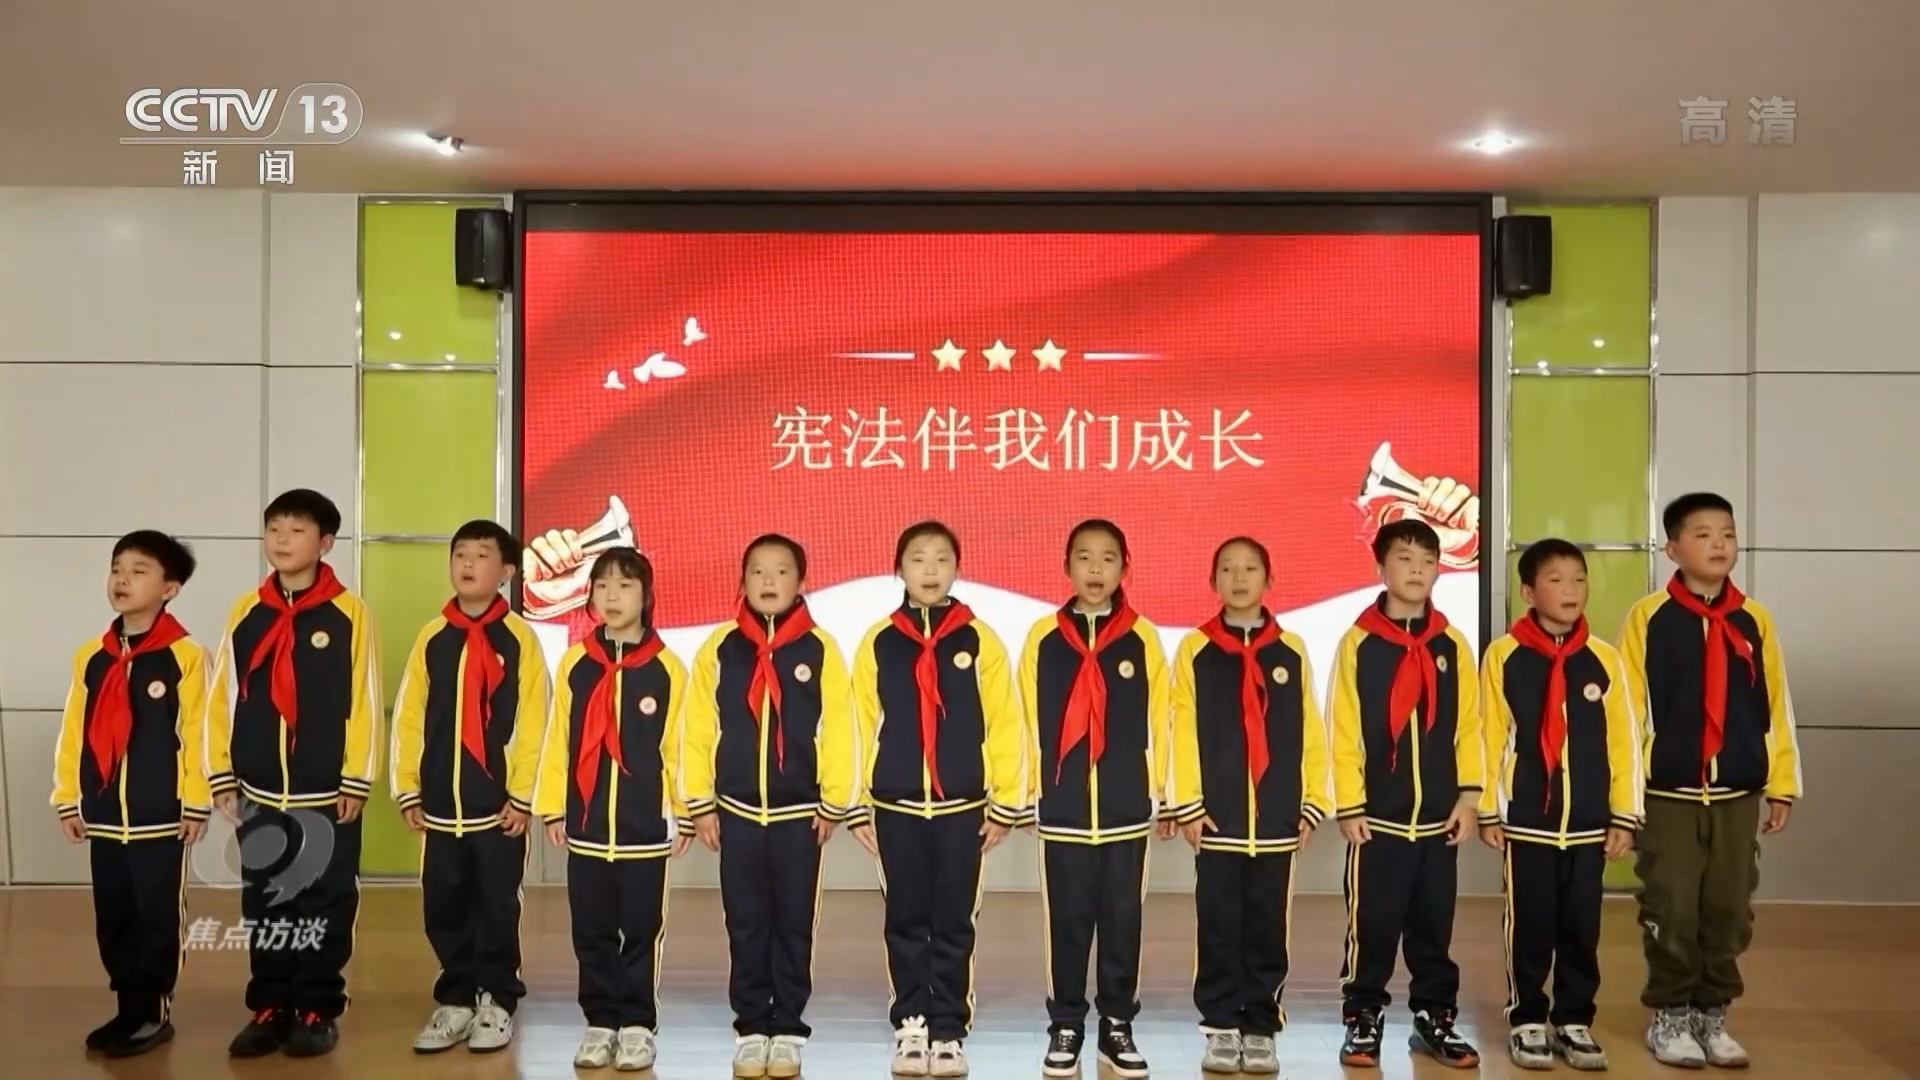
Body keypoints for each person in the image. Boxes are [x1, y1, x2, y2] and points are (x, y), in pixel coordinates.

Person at [1619, 493, 1801, 1069]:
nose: (1719, 544)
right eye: (1702, 534)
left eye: (1727, 533)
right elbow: (1627, 711)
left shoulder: (1755, 620)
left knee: (1729, 909)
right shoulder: (1648, 618)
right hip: (1667, 794)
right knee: (1672, 905)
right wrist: (1625, 795)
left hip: (1737, 794)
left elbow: (1776, 704)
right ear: (1672, 549)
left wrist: (1781, 782)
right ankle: (1670, 1015)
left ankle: (1711, 1013)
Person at [847, 521, 1027, 1078]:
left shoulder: (981, 640)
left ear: (957, 568)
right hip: (896, 809)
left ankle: (948, 1028)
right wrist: (854, 801)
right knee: (904, 919)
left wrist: (1007, 801)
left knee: (954, 921)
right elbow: (857, 723)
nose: (930, 569)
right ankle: (911, 1025)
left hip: (963, 812)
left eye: (942, 558)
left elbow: (1006, 721)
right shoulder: (879, 641)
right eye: (918, 558)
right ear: (898, 569)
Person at [206, 489, 380, 1059]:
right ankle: (270, 1005)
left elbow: (364, 699)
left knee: (324, 902)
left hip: (326, 794)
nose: (282, 539)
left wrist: (356, 779)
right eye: (274, 528)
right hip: (257, 792)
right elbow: (222, 696)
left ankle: (316, 1007)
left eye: (297, 530)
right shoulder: (246, 612)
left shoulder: (349, 614)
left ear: (325, 543)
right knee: (265, 901)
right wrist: (222, 773)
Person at [681, 534, 860, 1080]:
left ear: (801, 582)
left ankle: (788, 1029)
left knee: (793, 924)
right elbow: (696, 728)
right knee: (745, 923)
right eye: (757, 571)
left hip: (798, 818)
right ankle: (751, 1027)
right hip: (735, 814)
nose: (768, 580)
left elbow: (840, 729)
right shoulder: (719, 648)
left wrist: (835, 800)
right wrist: (699, 803)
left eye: (781, 571)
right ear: (742, 581)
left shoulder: (821, 649)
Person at [1020, 519, 1188, 1080]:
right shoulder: (1043, 639)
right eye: (1085, 558)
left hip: (1124, 811)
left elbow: (1163, 720)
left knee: (1122, 923)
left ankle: (1117, 1024)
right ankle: (1066, 1023)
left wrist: (1165, 793)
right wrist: (1028, 793)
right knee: (1066, 923)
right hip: (1063, 811)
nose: (1096, 569)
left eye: (1108, 558)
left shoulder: (1143, 639)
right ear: (1066, 567)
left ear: (1125, 568)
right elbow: (1025, 720)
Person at [1166, 536, 1332, 1076]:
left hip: (1277, 822)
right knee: (1217, 926)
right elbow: (1180, 729)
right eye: (1228, 569)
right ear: (1212, 581)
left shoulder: (1291, 650)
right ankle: (1219, 1025)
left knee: (1267, 929)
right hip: (1219, 822)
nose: (1239, 578)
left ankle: (1261, 1026)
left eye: (1251, 568)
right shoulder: (1195, 650)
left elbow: (1311, 730)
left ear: (1269, 579)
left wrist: (1311, 801)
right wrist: (1188, 804)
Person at [1478, 538, 1643, 1071]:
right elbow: (1489, 736)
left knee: (1581, 927)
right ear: (1529, 592)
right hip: (1528, 822)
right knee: (1530, 924)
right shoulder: (1504, 656)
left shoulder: (1605, 660)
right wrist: (1488, 808)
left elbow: (1625, 743)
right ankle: (1527, 1017)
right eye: (1556, 580)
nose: (1571, 589)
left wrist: (1624, 815)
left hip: (1590, 823)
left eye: (1579, 579)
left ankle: (1574, 1019)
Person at [391, 520, 551, 1055]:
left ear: (506, 572)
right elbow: (409, 715)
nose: (467, 563)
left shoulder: (520, 640)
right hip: (440, 808)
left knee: (497, 905)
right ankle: (456, 997)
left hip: (497, 809)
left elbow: (536, 721)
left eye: (481, 555)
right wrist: (408, 786)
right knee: (444, 904)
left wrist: (523, 795)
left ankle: (497, 999)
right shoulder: (433, 637)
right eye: (460, 553)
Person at [1330, 518, 1483, 1070]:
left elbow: (1470, 725)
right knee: (1372, 927)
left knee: (1433, 927)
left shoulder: (1452, 643)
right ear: (1381, 568)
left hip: (1439, 821)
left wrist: (1468, 797)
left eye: (1428, 561)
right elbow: (1342, 727)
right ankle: (1363, 1017)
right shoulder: (1359, 643)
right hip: (1379, 822)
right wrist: (1350, 803)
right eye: (1404, 559)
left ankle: (1434, 1017)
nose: (1417, 570)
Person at [51, 531, 209, 1058]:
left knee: (156, 916)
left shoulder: (186, 656)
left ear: (170, 588)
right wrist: (69, 797)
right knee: (114, 915)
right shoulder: (91, 657)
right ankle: (127, 1008)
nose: (122, 579)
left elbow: (198, 735)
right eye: (117, 568)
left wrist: (196, 802)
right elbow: (74, 732)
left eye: (139, 571)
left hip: (159, 818)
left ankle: (153, 1012)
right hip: (103, 815)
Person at [533, 547, 691, 1071]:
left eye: (624, 585)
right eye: (601, 586)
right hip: (586, 826)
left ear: (646, 595)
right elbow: (558, 739)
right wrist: (554, 807)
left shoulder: (668, 668)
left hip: (644, 830)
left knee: (641, 929)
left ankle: (638, 1024)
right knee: (591, 930)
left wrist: (682, 810)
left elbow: (678, 746)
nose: (612, 596)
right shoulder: (576, 664)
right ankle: (600, 1021)